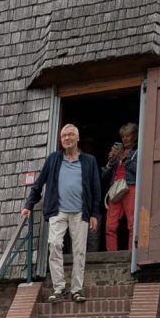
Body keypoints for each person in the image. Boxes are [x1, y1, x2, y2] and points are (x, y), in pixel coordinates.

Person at [21, 123, 101, 303]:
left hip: (81, 212)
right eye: (64, 135)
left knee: (79, 251)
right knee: (55, 245)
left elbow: (96, 188)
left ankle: (77, 289)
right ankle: (59, 287)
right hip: (58, 211)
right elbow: (39, 183)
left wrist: (95, 214)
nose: (67, 138)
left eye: (70, 135)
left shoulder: (89, 161)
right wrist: (29, 204)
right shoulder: (53, 159)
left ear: (77, 138)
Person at [102, 122, 139, 251]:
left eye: (128, 135)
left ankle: (131, 253)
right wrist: (110, 162)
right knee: (110, 226)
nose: (125, 139)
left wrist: (124, 157)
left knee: (132, 224)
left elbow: (138, 171)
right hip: (115, 189)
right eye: (123, 136)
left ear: (134, 136)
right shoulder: (117, 154)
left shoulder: (137, 152)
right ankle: (111, 254)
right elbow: (104, 177)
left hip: (130, 187)